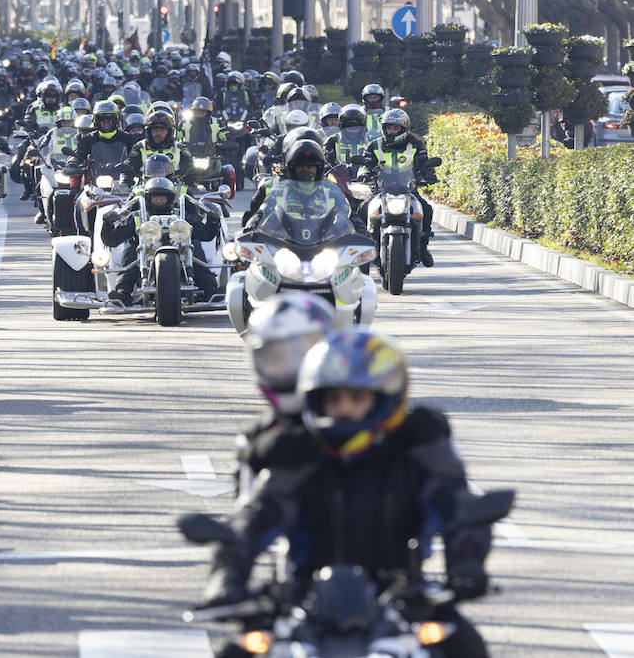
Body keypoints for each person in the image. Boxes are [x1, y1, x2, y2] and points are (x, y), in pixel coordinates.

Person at [197, 329, 492, 658]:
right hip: (304, 604)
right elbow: (257, 515)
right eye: (333, 399)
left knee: (465, 646)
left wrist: (467, 563)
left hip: (403, 600)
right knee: (231, 652)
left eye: (356, 398)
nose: (343, 409)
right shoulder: (299, 452)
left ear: (385, 397)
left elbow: (458, 507)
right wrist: (226, 575)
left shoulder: (416, 451)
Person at [234, 292, 336, 494]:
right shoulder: (257, 442)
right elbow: (247, 508)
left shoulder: (359, 415)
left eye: (304, 353)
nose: (294, 366)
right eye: (277, 357)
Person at [98, 176, 220, 308]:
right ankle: (123, 294)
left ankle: (210, 291)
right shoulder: (137, 217)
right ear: (148, 198)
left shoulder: (183, 216)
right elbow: (112, 240)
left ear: (170, 198)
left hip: (180, 249)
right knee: (131, 252)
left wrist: (213, 219)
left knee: (194, 248)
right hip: (145, 250)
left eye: (162, 198)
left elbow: (205, 234)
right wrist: (108, 225)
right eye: (155, 198)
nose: (159, 201)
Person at [363, 108, 436, 267]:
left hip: (408, 190)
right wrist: (364, 173)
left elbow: (424, 163)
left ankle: (423, 249)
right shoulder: (374, 146)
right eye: (389, 128)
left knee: (426, 209)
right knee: (362, 208)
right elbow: (365, 164)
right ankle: (364, 247)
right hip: (381, 190)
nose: (392, 131)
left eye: (396, 128)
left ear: (404, 129)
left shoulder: (416, 145)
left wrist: (429, 173)